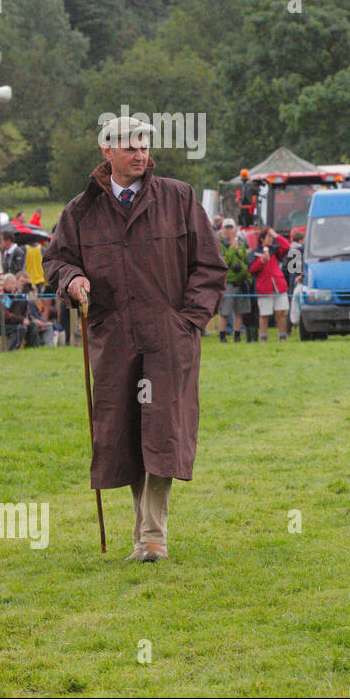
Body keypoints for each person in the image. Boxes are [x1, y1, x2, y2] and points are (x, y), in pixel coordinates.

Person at [43, 115, 226, 563]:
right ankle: (144, 532)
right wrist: (73, 280)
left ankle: (151, 536)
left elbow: (210, 266)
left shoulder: (178, 197)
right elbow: (58, 261)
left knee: (162, 431)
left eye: (144, 144)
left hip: (168, 338)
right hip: (114, 338)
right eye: (129, 146)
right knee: (126, 433)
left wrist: (189, 321)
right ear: (107, 152)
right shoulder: (80, 210)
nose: (140, 153)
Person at [250, 225, 291, 341]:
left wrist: (276, 235)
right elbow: (251, 270)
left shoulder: (275, 250)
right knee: (264, 314)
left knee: (281, 313)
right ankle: (263, 338)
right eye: (269, 237)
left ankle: (283, 337)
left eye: (271, 237)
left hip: (279, 286)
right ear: (262, 239)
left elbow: (287, 246)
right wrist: (261, 261)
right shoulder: (254, 253)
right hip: (264, 287)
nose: (271, 239)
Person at [217, 219, 252, 342]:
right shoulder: (220, 244)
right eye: (226, 228)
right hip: (228, 283)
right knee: (225, 311)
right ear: (222, 230)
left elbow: (245, 260)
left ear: (235, 229)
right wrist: (232, 249)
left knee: (239, 311)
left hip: (240, 282)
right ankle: (222, 336)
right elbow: (224, 261)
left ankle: (237, 335)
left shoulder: (241, 244)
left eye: (231, 227)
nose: (228, 230)